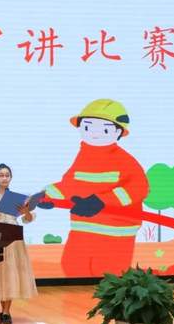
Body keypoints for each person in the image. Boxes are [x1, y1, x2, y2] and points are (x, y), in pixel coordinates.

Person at [38, 99, 149, 277]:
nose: (94, 134)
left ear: (119, 132)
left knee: (109, 274)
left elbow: (138, 188)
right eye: (88, 127)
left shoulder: (124, 160)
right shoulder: (83, 156)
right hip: (83, 228)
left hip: (116, 232)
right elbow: (70, 185)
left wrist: (101, 201)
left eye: (104, 129)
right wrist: (47, 195)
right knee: (72, 266)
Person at [0, 163, 38, 324]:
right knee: (0, 273)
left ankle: (6, 312)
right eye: (1, 175)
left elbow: (28, 219)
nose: (4, 178)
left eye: (7, 175)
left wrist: (26, 211)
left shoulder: (17, 197)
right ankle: (0, 309)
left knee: (11, 273)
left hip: (14, 238)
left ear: (11, 178)